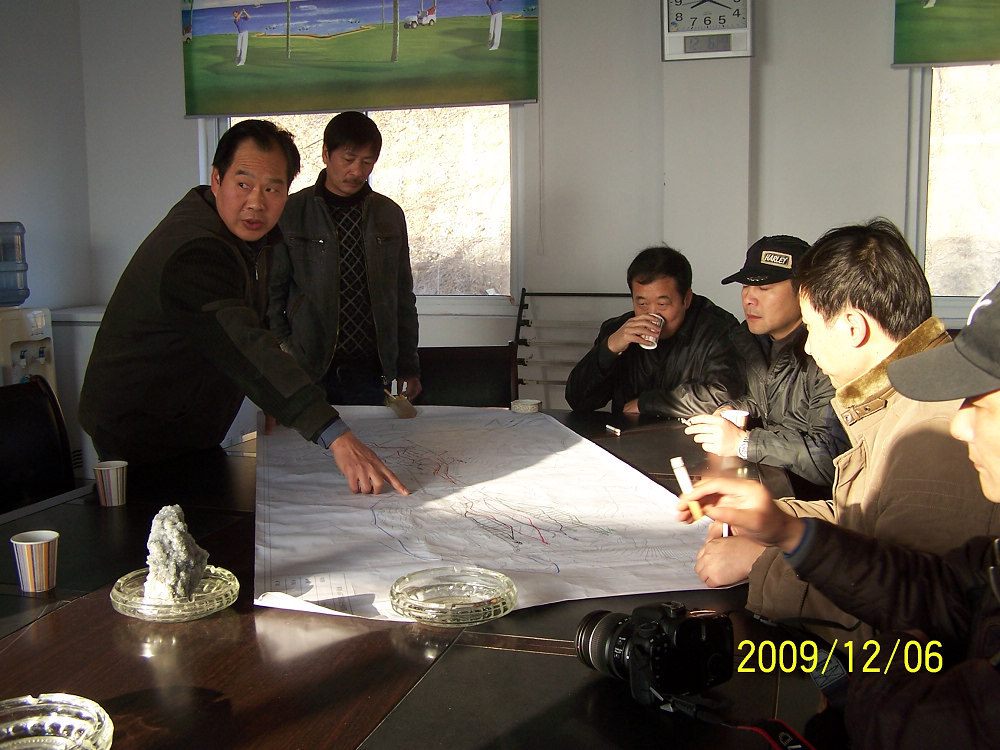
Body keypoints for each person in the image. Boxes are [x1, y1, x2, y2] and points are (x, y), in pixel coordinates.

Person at [677, 278, 1000, 749]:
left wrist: (856, 676)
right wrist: (785, 530)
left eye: (983, 401)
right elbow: (936, 590)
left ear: (853, 326)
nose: (960, 423)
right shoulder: (988, 559)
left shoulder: (927, 428)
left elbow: (928, 712)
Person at [687, 218, 1000, 645]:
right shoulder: (895, 398)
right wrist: (776, 520)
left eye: (811, 328)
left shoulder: (931, 430)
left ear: (853, 327)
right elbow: (867, 521)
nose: (808, 346)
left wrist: (761, 564)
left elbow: (905, 614)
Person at [79, 120, 407, 496]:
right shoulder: (196, 250)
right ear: (217, 179)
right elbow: (247, 345)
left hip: (185, 423)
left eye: (272, 188)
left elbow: (256, 325)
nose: (256, 202)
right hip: (140, 428)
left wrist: (278, 398)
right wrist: (335, 435)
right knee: (159, 527)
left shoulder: (252, 238)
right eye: (243, 184)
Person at [267, 111, 421, 406]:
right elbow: (272, 297)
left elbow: (402, 296)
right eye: (348, 159)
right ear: (326, 154)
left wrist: (408, 366)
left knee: (372, 436)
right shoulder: (291, 212)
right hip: (308, 366)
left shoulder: (388, 215)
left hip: (371, 368)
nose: (356, 171)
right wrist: (285, 355)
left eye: (367, 162)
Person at [684, 235, 848, 498]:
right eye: (745, 286)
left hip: (815, 506)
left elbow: (831, 459)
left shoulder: (826, 353)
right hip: (768, 488)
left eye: (764, 288)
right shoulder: (751, 341)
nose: (749, 298)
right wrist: (733, 410)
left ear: (804, 293)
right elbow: (768, 403)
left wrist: (744, 443)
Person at [565, 245, 743, 418]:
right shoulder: (619, 330)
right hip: (626, 434)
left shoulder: (719, 331)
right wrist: (609, 348)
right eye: (642, 304)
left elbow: (725, 395)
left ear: (687, 299)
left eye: (662, 304)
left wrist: (649, 403)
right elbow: (578, 401)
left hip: (688, 434)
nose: (652, 313)